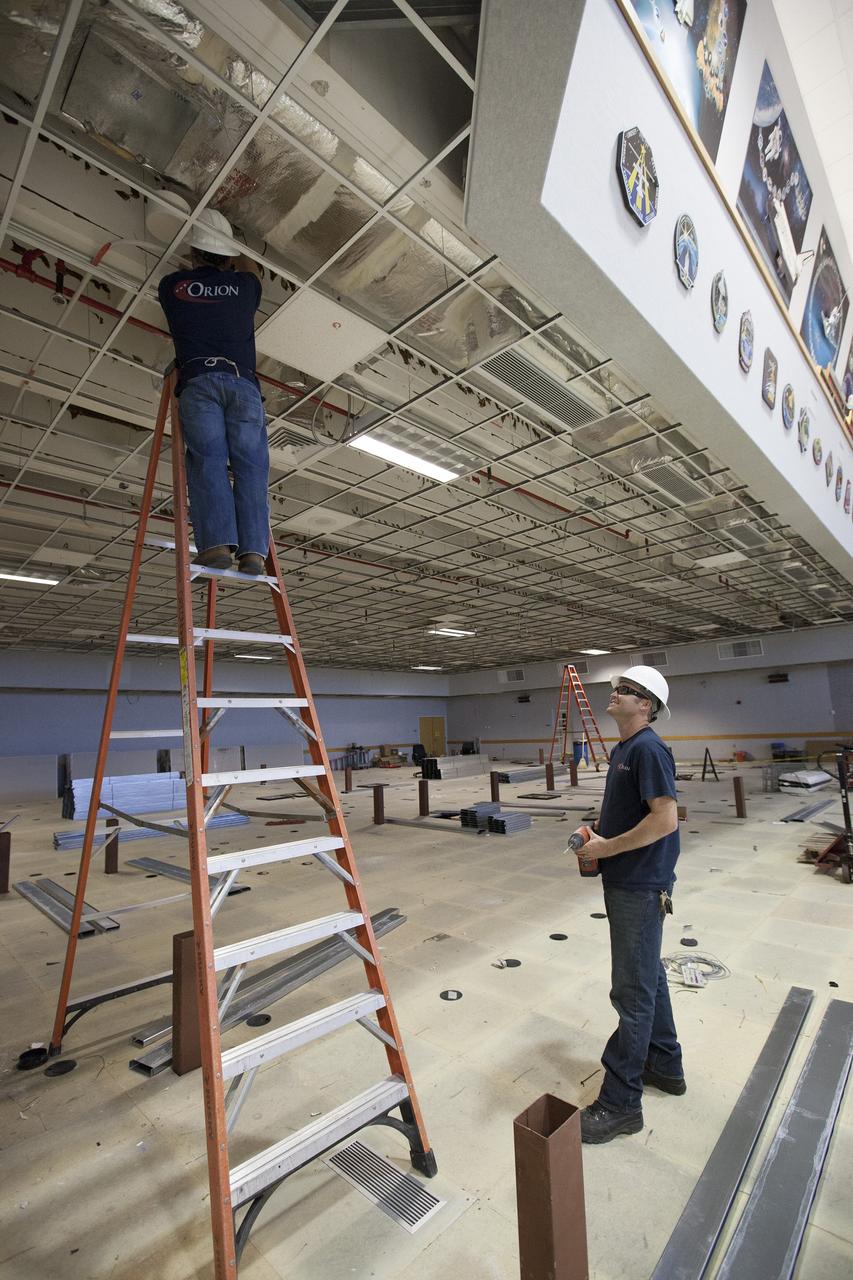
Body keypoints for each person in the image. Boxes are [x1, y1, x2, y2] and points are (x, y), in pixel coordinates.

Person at [569, 665, 683, 1144]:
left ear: (647, 705)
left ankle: (620, 1104)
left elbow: (665, 821)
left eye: (626, 691)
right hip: (628, 880)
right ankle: (664, 1065)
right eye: (617, 688)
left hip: (638, 884)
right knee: (648, 974)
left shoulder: (649, 749)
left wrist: (606, 850)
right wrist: (595, 832)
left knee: (631, 991)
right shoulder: (625, 750)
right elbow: (629, 813)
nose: (614, 694)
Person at [158, 208, 269, 576]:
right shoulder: (246, 287)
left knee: (208, 462)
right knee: (252, 469)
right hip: (243, 387)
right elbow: (253, 271)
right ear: (228, 255)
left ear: (192, 253)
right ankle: (253, 552)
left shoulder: (173, 287)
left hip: (200, 383)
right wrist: (240, 250)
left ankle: (217, 545)